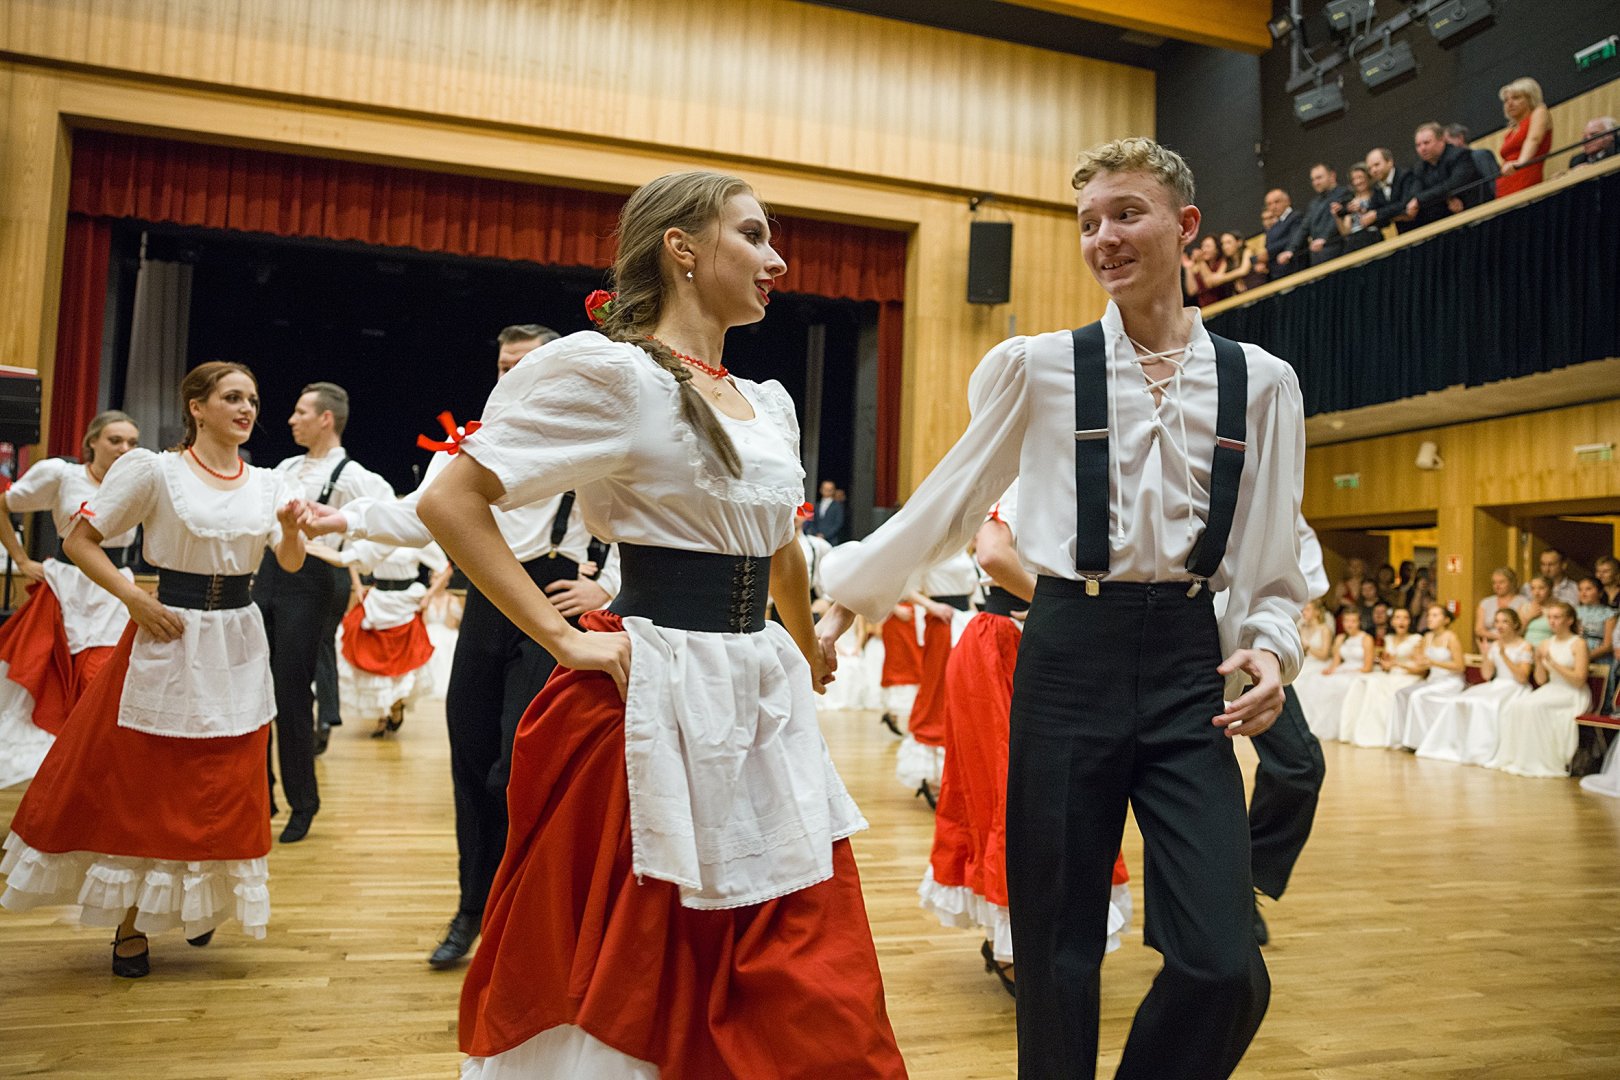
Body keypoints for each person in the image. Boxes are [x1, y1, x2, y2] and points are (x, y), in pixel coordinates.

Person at [817, 136, 1308, 1080]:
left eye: (1126, 214)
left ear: (1185, 225)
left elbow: (1270, 556)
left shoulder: (1261, 380)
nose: (1103, 238)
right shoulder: (1038, 365)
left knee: (1223, 966)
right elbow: (952, 498)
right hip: (1067, 653)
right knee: (1056, 954)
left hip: (1187, 665)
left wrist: (1270, 648)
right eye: (1087, 223)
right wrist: (847, 600)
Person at [416, 171, 905, 1077]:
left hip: (758, 696)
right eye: (752, 235)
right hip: (654, 696)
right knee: (650, 956)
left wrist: (806, 646)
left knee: (802, 960)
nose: (776, 260)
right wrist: (563, 638)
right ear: (680, 247)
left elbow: (780, 551)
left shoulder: (767, 401)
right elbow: (451, 500)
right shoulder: (615, 374)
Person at [299, 323, 620, 970]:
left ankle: (529, 914)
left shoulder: (593, 438)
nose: (513, 376)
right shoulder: (473, 444)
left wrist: (605, 585)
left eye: (526, 364)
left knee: (520, 768)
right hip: (488, 603)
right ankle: (472, 908)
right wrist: (346, 518)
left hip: (555, 604)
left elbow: (637, 523)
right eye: (504, 365)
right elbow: (418, 514)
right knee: (471, 765)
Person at [0, 362, 304, 976]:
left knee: (225, 782)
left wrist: (293, 532)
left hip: (238, 641)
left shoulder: (268, 482)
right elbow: (79, 541)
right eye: (232, 397)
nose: (246, 409)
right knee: (153, 783)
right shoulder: (156, 471)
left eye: (252, 399)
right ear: (197, 406)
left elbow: (291, 562)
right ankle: (131, 922)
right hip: (171, 631)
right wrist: (134, 598)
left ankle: (201, 902)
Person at [918, 481, 1130, 994]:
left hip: (1036, 644)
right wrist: (1058, 606)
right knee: (1011, 795)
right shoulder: (1027, 477)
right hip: (1004, 645)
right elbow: (993, 554)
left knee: (1046, 796)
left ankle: (1032, 937)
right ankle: (1016, 943)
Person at [255, 381, 392, 843]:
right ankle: (260, 794)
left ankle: (303, 802)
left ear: (325, 419)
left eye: (300, 412)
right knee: (256, 686)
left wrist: (348, 557)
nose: (291, 419)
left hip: (313, 582)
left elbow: (387, 525)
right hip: (269, 574)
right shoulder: (286, 468)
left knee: (291, 690)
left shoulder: (353, 476)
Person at [0, 412, 140, 788]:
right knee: (53, 679)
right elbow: (4, 505)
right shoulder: (63, 476)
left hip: (115, 589)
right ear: (92, 442)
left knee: (105, 677)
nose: (124, 449)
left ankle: (97, 761)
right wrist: (21, 560)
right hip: (67, 588)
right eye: (115, 440)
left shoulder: (140, 482)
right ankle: (70, 760)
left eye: (132, 442)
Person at [1246, 518, 1330, 946]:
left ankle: (1244, 879)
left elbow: (1301, 561)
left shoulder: (1276, 493)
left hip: (1250, 642)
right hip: (1175, 631)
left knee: (1300, 764)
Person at [313, 538, 451, 737]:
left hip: (406, 602)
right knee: (375, 654)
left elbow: (445, 568)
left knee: (402, 659)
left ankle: (396, 706)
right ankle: (383, 714)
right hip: (378, 599)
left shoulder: (416, 537)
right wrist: (357, 585)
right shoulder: (376, 532)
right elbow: (351, 555)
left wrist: (429, 595)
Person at [897, 548, 979, 805]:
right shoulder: (931, 546)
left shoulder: (966, 547)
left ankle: (957, 774)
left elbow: (971, 591)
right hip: (942, 623)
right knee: (937, 693)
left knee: (966, 694)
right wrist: (931, 606)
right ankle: (932, 773)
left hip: (965, 621)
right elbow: (903, 584)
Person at [1416, 608, 1534, 765]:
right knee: (1460, 700)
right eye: (1497, 621)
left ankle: (1481, 752)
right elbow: (1486, 675)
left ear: (1515, 624)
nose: (1499, 625)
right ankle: (1454, 747)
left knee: (1487, 704)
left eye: (1505, 621)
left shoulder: (1525, 646)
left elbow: (1522, 677)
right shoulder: (1495, 645)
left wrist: (1504, 655)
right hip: (1496, 684)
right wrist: (1485, 654)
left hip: (1514, 687)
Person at [1489, 602, 1591, 777]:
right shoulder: (1546, 643)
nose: (1552, 621)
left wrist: (1553, 663)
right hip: (1552, 688)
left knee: (1535, 707)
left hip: (1572, 692)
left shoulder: (1578, 643)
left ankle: (1540, 760)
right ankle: (1520, 758)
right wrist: (1538, 661)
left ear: (1569, 620)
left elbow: (1579, 680)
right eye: (1549, 617)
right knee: (1518, 705)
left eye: (1557, 617)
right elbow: (1541, 680)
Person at [1343, 606, 1423, 748]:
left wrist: (1397, 664)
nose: (1401, 621)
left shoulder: (1416, 640)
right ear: (1392, 622)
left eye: (1405, 618)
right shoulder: (1389, 639)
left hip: (1409, 676)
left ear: (1410, 622)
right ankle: (1362, 730)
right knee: (1366, 682)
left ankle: (1387, 734)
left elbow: (1421, 670)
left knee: (1380, 687)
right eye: (1397, 618)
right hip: (1391, 674)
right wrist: (1384, 663)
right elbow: (1385, 662)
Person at [1394, 605, 1467, 750]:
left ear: (1445, 620)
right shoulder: (1427, 637)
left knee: (1417, 696)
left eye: (1435, 615)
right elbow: (1423, 663)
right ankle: (1402, 738)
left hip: (1450, 682)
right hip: (1432, 680)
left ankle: (1420, 742)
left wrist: (1433, 663)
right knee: (1401, 693)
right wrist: (1414, 658)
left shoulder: (1451, 638)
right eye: (1429, 615)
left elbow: (1460, 666)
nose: (1429, 619)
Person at [1407, 122, 1484, 229]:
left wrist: (1422, 199)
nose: (1422, 148)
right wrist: (1447, 197)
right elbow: (1415, 195)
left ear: (1441, 140)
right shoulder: (1420, 168)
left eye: (1426, 143)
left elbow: (1455, 184)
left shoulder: (1459, 155)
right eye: (1418, 145)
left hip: (1476, 214)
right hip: (1443, 221)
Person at [1314, 607, 1374, 742]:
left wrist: (1349, 671)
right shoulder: (1340, 638)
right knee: (1323, 682)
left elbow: (1368, 667)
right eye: (1346, 621)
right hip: (1343, 668)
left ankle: (1345, 727)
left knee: (1343, 684)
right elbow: (1336, 662)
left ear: (1359, 622)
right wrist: (1331, 670)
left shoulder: (1366, 638)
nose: (1349, 624)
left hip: (1359, 670)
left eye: (1353, 621)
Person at [1495, 77, 1552, 198]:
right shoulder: (1511, 131)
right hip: (1504, 187)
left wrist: (1520, 163)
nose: (1509, 103)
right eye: (1506, 100)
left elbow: (1534, 139)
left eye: (1516, 98)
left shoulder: (1540, 111)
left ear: (1530, 98)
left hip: (1525, 183)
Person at [1290, 599, 1336, 740]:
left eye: (1308, 609)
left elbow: (1324, 654)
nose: (1304, 613)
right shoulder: (1301, 628)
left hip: (1319, 663)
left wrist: (1308, 647)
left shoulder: (1324, 629)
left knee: (1304, 680)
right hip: (1306, 661)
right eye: (1303, 610)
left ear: (1316, 612)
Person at [1302, 163, 1353, 266]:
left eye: (1319, 178)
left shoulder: (1344, 193)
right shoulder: (1314, 203)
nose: (1316, 183)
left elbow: (1335, 220)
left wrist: (1324, 238)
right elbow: (1304, 227)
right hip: (1317, 254)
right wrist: (1290, 249)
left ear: (1332, 176)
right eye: (1313, 180)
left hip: (1337, 248)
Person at [1363, 147, 1419, 235]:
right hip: (1399, 235)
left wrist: (1378, 214)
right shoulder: (1377, 188)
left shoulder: (1405, 176)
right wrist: (1394, 215)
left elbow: (1405, 205)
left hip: (1420, 229)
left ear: (1390, 162)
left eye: (1377, 165)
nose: (1373, 170)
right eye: (1370, 168)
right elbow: (1370, 219)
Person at [1334, 163, 1383, 253]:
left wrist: (1361, 210)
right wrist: (1337, 215)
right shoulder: (1350, 200)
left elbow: (1382, 217)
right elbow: (1345, 232)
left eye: (1360, 177)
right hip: (1354, 240)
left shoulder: (1377, 195)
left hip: (1373, 236)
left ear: (1368, 177)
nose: (1358, 182)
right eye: (1354, 179)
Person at [1475, 566, 1527, 650]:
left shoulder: (1522, 602)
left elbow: (1520, 629)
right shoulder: (1485, 602)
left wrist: (1505, 639)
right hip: (1489, 646)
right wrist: (1498, 637)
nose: (1497, 586)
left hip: (1513, 646)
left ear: (1511, 583)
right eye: (1494, 583)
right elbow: (1479, 630)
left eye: (1501, 582)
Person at [1444, 124, 1499, 201]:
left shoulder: (1480, 155)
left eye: (1447, 143)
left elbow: (1494, 182)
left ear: (1460, 138)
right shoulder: (1451, 167)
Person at [1263, 188, 1306, 277]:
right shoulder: (1274, 226)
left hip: (1294, 268)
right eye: (1269, 204)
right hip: (1277, 272)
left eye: (1277, 202)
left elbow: (1294, 239)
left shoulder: (1296, 217)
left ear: (1287, 201)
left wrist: (1269, 253)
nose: (1273, 207)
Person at [1574, 577, 1616, 657]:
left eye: (1588, 589)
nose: (1583, 593)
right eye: (1580, 590)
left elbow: (1608, 646)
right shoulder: (1574, 612)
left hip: (1599, 657)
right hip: (1576, 653)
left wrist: (1584, 658)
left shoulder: (1609, 614)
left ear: (1600, 593)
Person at [811, 478, 848, 545]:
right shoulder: (816, 505)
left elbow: (838, 524)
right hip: (816, 540)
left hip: (831, 540)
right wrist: (816, 534)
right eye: (825, 488)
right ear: (821, 489)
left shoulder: (838, 506)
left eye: (829, 489)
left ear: (833, 491)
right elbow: (812, 521)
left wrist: (825, 535)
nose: (827, 491)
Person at [1522, 576, 1554, 646]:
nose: (1536, 593)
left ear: (1550, 589)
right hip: (1526, 648)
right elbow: (1516, 633)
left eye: (1541, 588)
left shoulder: (1556, 609)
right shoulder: (1524, 608)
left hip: (1548, 648)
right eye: (1533, 588)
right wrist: (1529, 617)